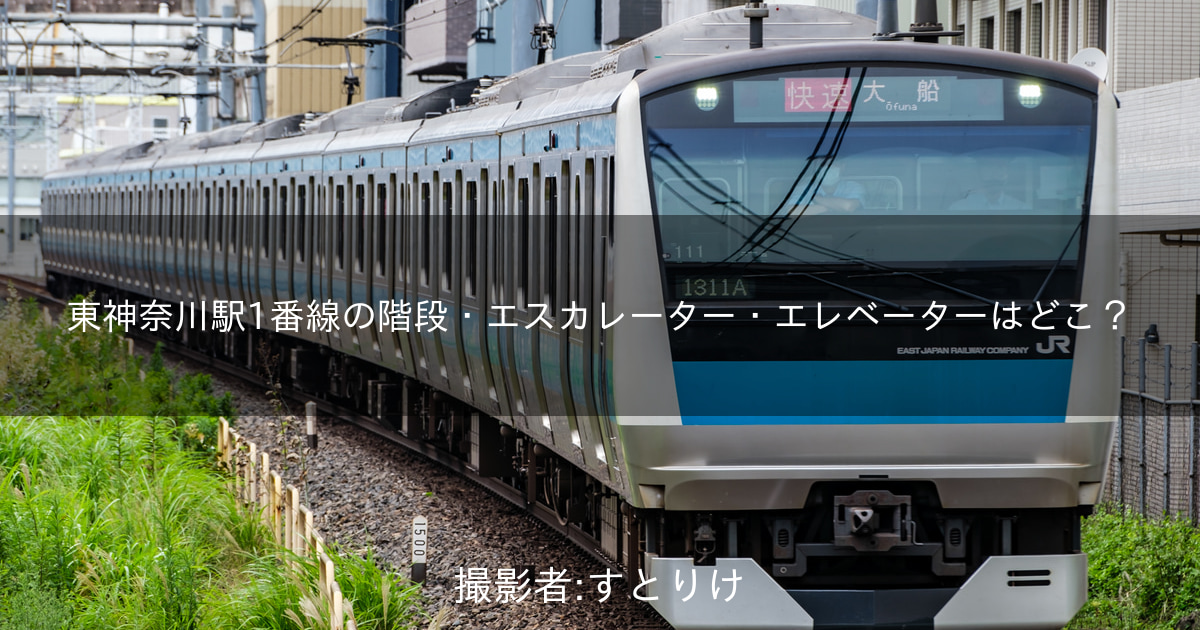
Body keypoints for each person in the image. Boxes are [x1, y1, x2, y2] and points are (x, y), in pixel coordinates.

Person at [949, 160, 1031, 211]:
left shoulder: (1020, 209)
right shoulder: (960, 209)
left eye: (999, 169)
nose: (994, 175)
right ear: (979, 175)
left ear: (1006, 176)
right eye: (989, 169)